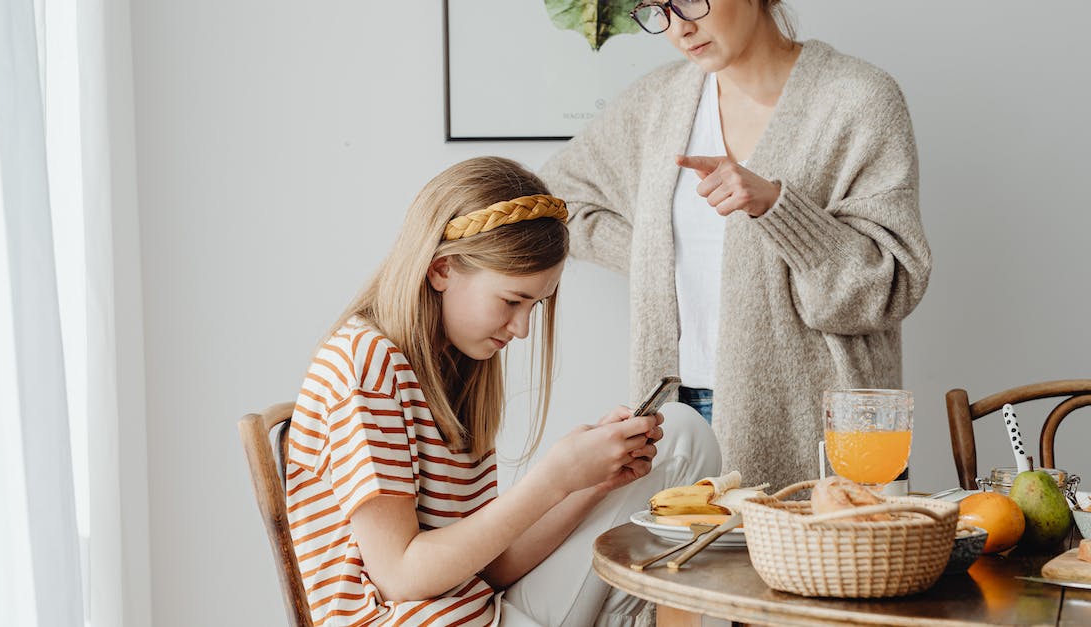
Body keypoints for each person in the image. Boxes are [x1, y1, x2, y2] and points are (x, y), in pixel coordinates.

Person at [285, 156, 721, 627]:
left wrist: (591, 484)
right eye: (512, 301)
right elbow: (400, 578)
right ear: (441, 269)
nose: (522, 329)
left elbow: (488, 569)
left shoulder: (456, 367)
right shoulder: (366, 363)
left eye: (535, 304)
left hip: (479, 609)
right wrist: (554, 478)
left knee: (681, 433)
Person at [540, 0, 931, 492]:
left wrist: (776, 208)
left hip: (810, 416)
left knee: (808, 566)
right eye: (657, 9)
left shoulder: (858, 99)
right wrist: (658, 259)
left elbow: (886, 288)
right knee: (676, 567)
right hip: (678, 414)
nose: (679, 26)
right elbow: (556, 199)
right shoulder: (661, 102)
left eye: (686, 0)